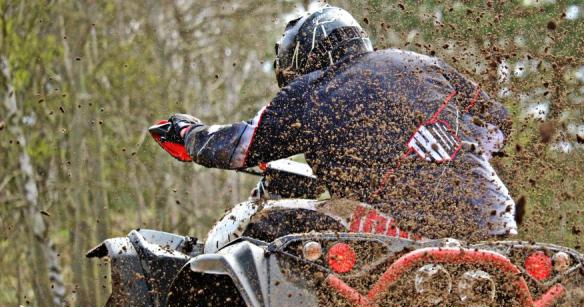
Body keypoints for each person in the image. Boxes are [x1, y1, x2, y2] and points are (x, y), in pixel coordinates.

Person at [157, 6, 516, 240]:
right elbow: (499, 124)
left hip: (406, 235)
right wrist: (445, 149)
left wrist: (189, 133)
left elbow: (237, 148)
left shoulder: (311, 90)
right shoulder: (420, 63)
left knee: (266, 228)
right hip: (495, 220)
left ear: (305, 55)